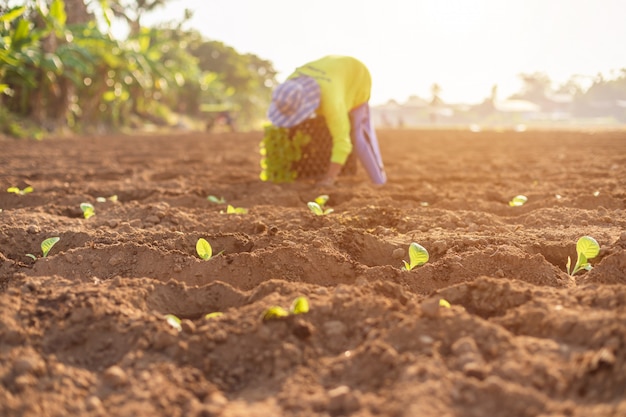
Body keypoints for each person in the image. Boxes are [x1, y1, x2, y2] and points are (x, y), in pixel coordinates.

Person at [267, 55, 386, 186]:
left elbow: (343, 143)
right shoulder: (289, 87)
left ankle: (379, 181)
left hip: (357, 76)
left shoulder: (333, 103)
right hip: (331, 71)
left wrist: (329, 178)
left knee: (357, 136)